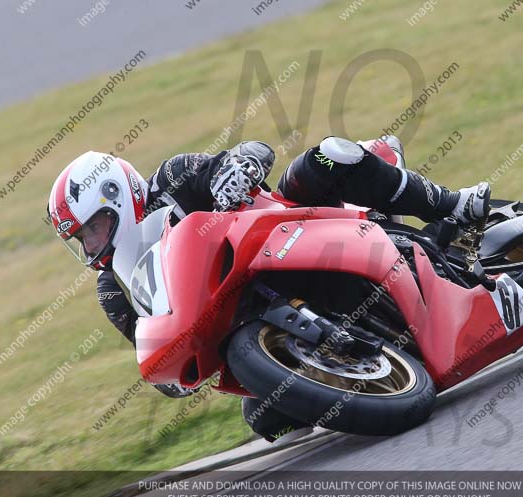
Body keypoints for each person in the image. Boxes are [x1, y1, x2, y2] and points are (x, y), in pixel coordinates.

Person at [46, 135, 490, 442]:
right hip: (241, 318)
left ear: (116, 196)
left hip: (294, 232)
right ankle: (362, 367)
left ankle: (453, 204)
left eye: (94, 229)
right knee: (266, 416)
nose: (91, 245)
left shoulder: (174, 178)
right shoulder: (113, 287)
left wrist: (239, 168)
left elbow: (250, 150)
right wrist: (169, 377)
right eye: (81, 239)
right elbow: (151, 339)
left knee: (328, 157)